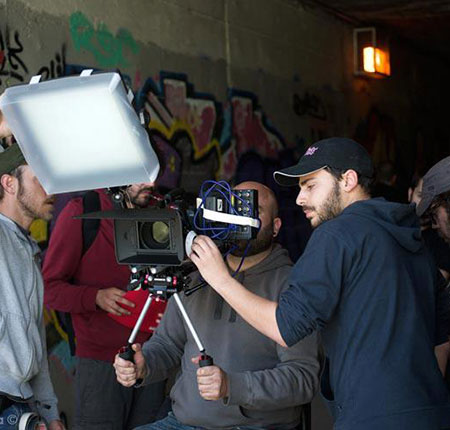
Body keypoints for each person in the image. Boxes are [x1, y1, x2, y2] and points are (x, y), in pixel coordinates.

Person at [189, 138, 450, 430]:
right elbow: (442, 337)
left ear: (348, 180)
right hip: (432, 411)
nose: (300, 199)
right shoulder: (411, 238)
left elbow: (285, 327)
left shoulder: (337, 233)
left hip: (371, 417)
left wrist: (220, 279)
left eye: (310, 186)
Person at [114, 181, 322, 430]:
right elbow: (167, 345)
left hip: (256, 426)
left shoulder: (292, 284)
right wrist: (143, 364)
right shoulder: (195, 275)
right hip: (183, 422)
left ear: (276, 226)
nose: (240, 218)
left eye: (251, 210)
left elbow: (302, 378)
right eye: (233, 209)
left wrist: (232, 386)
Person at [43, 183, 167, 429]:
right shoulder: (84, 211)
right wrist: (96, 297)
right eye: (140, 176)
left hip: (153, 359)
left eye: (153, 174)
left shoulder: (161, 209)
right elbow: (49, 288)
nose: (150, 184)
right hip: (100, 362)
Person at [0, 143, 65, 430]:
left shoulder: (29, 250)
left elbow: (36, 341)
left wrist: (50, 413)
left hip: (20, 402)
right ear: (9, 183)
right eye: (40, 178)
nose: (51, 189)